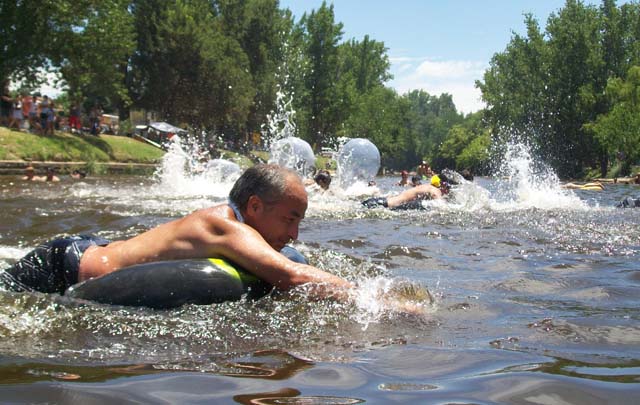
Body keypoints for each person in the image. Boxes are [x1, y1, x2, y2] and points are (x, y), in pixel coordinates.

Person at [1, 164, 353, 299]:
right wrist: (374, 298)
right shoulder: (223, 225)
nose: (295, 235)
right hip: (62, 267)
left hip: (92, 248)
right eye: (291, 219)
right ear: (256, 207)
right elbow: (290, 275)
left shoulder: (233, 224)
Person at [362, 175, 451, 210]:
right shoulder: (435, 189)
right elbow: (441, 205)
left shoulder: (425, 187)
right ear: (442, 184)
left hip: (381, 202)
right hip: (382, 205)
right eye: (448, 187)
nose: (448, 191)